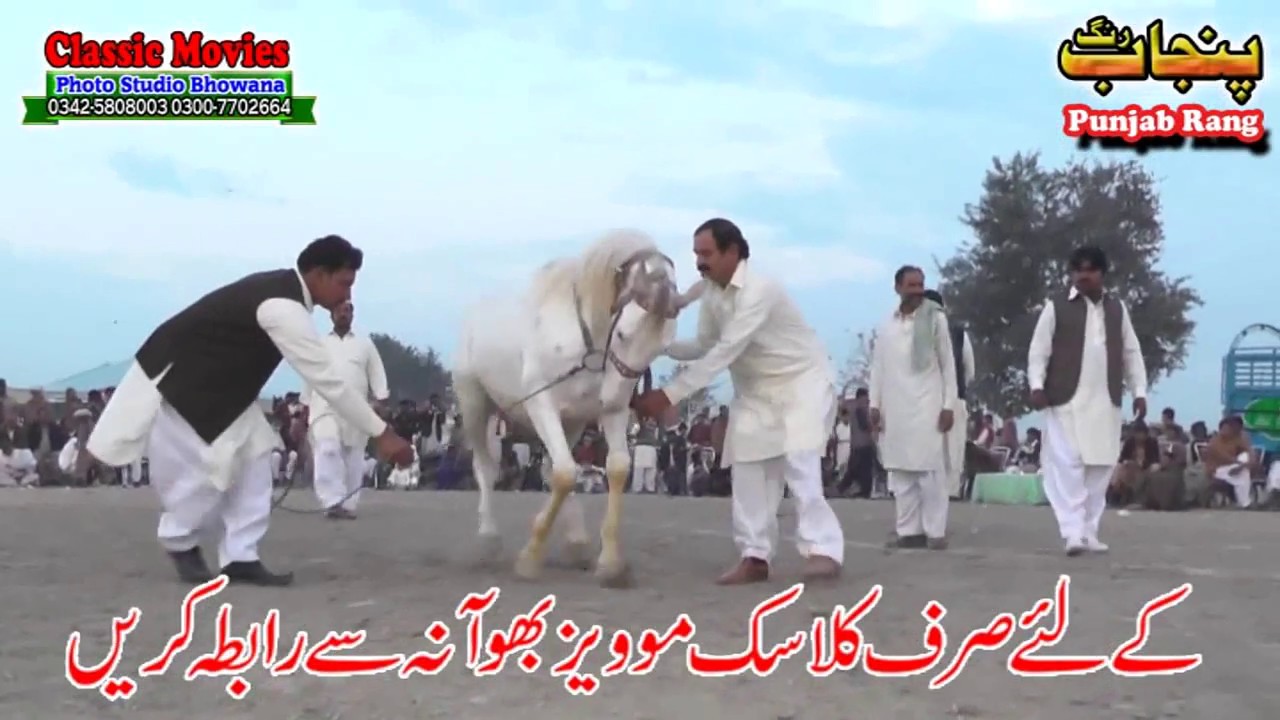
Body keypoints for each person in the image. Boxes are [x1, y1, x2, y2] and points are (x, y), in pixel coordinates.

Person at [81, 235, 414, 586]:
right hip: (191, 387)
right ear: (318, 274)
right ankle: (180, 541)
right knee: (212, 470)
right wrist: (383, 434)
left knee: (256, 457)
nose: (348, 295)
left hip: (227, 394)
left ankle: (241, 555)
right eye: (344, 284)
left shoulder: (284, 295)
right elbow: (328, 382)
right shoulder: (283, 308)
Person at [631, 218, 845, 584]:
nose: (699, 262)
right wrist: (656, 347)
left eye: (707, 253)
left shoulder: (759, 290)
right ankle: (755, 556)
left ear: (732, 252)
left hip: (802, 382)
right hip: (756, 392)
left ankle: (823, 550)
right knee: (746, 466)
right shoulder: (713, 293)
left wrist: (669, 395)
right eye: (696, 254)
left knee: (799, 458)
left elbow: (727, 350)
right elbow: (704, 345)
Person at [1028, 245, 1147, 555]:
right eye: (1077, 270)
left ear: (1101, 274)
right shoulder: (1056, 307)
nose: (1083, 275)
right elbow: (1038, 351)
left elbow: (1132, 353)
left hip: (1104, 401)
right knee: (1068, 467)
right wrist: (1036, 385)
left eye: (1090, 269)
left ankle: (1089, 531)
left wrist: (1140, 392)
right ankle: (1072, 533)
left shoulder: (1117, 309)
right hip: (1064, 400)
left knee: (1100, 467)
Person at [870, 266, 958, 550]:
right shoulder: (887, 325)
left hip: (928, 406)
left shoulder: (935, 320)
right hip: (895, 408)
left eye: (921, 285)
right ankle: (909, 532)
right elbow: (878, 368)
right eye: (911, 285)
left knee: (930, 472)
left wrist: (948, 406)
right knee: (901, 473)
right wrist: (874, 405)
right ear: (898, 288)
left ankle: (935, 532)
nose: (918, 291)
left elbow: (948, 365)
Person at [308, 300, 389, 519]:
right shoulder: (319, 343)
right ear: (331, 315)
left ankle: (348, 504)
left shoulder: (365, 344)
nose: (343, 314)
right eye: (339, 311)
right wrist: (305, 404)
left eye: (347, 311)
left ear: (353, 315)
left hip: (356, 408)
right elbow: (309, 373)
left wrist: (380, 398)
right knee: (328, 446)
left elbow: (377, 372)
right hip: (324, 406)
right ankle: (331, 501)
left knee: (353, 457)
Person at [922, 288, 974, 499]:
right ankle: (950, 491)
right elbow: (969, 369)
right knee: (952, 449)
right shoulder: (959, 332)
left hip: (932, 400)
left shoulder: (956, 332)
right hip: (953, 399)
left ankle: (935, 491)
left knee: (937, 447)